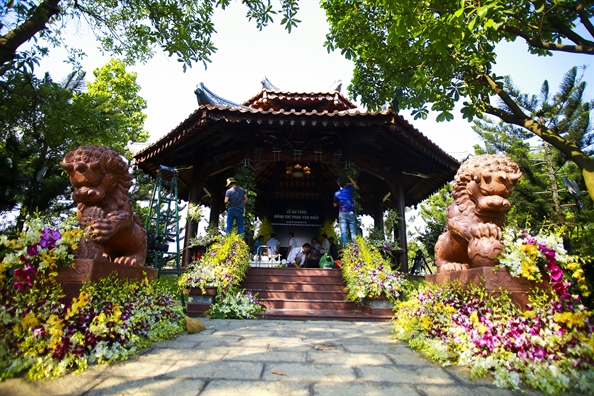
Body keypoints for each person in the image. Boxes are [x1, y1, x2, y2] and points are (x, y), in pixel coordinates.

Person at [333, 175, 358, 244]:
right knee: (353, 231)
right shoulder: (349, 190)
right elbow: (355, 185)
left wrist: (339, 201)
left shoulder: (337, 193)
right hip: (350, 212)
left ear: (338, 184)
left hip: (342, 213)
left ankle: (345, 249)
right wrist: (350, 177)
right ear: (346, 184)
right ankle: (355, 247)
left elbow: (334, 205)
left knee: (343, 232)